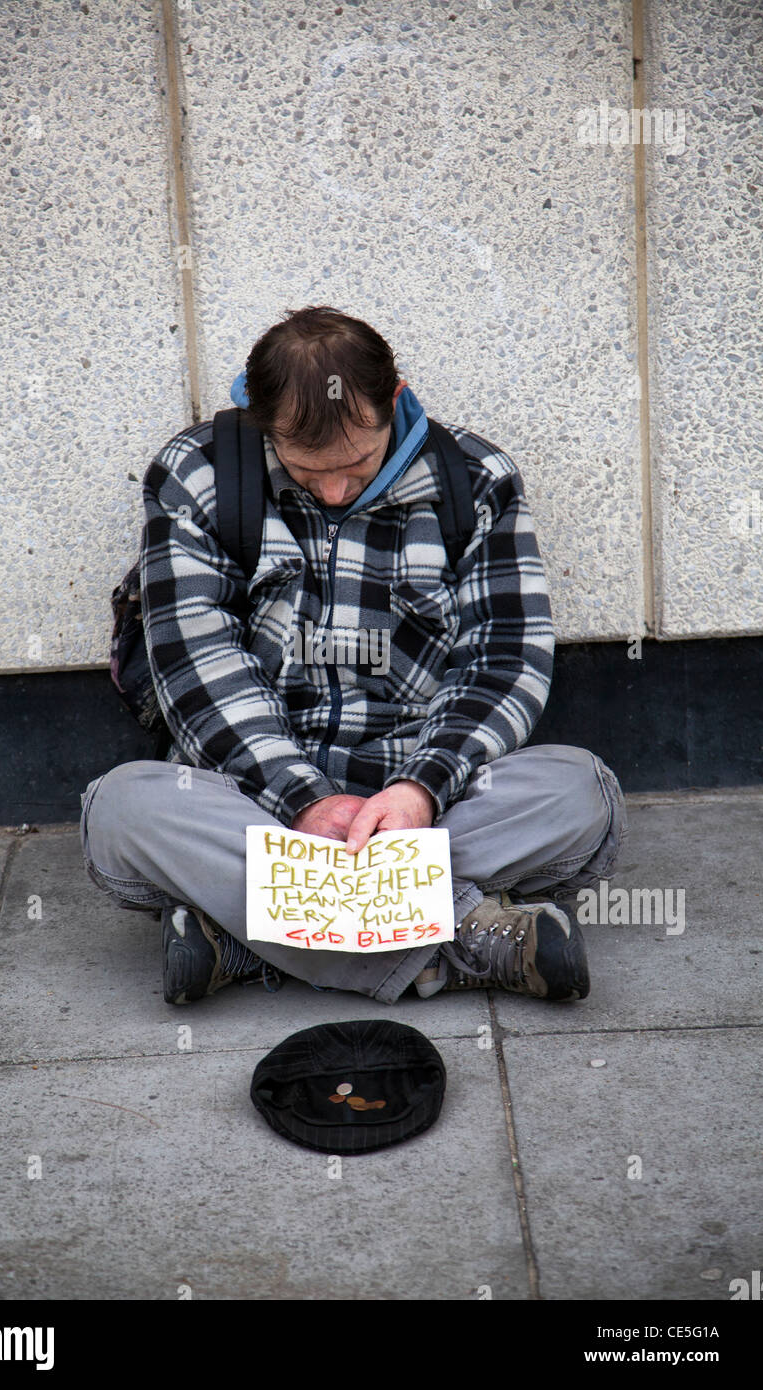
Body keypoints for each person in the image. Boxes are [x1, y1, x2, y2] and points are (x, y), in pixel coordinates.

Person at [79, 306, 627, 1005]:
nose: (337, 490)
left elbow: (506, 659)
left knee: (582, 793)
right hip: (258, 807)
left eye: (358, 464)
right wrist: (305, 802)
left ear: (394, 402)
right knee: (123, 811)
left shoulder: (478, 479)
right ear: (262, 423)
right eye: (310, 471)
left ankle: (251, 942)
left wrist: (421, 789)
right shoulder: (197, 475)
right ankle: (460, 942)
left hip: (427, 807)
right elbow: (195, 666)